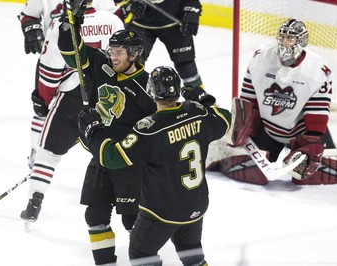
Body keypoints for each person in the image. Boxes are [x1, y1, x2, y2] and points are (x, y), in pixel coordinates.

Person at [77, 66, 232, 265]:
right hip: (196, 205)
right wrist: (204, 99)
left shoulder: (149, 129)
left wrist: (94, 131)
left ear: (151, 92)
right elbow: (225, 118)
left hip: (161, 213)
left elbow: (112, 158)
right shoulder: (198, 113)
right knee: (192, 255)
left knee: (141, 254)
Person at [58, 3, 157, 262]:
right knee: (95, 216)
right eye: (111, 50)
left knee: (131, 219)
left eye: (119, 52)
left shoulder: (148, 87)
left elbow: (158, 129)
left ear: (134, 54)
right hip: (101, 155)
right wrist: (70, 25)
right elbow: (71, 54)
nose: (113, 57)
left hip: (130, 162)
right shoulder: (100, 63)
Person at [20, 0, 125, 225]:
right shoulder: (113, 20)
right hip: (111, 97)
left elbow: (49, 73)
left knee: (48, 153)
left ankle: (33, 202)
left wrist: (43, 99)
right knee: (114, 151)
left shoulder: (60, 26)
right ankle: (130, 201)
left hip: (73, 97)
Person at [210, 19, 337, 185]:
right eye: (282, 37)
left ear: (302, 41)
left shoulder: (317, 69)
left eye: (290, 38)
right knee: (252, 174)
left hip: (300, 134)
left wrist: (312, 141)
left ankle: (329, 148)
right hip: (268, 130)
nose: (285, 42)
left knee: (305, 177)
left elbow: (316, 112)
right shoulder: (260, 58)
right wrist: (241, 131)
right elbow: (249, 100)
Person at [115, 0, 204, 88]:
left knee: (186, 66)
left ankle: (201, 100)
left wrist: (192, 7)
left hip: (173, 19)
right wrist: (126, 8)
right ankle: (127, 100)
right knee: (131, 65)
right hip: (138, 20)